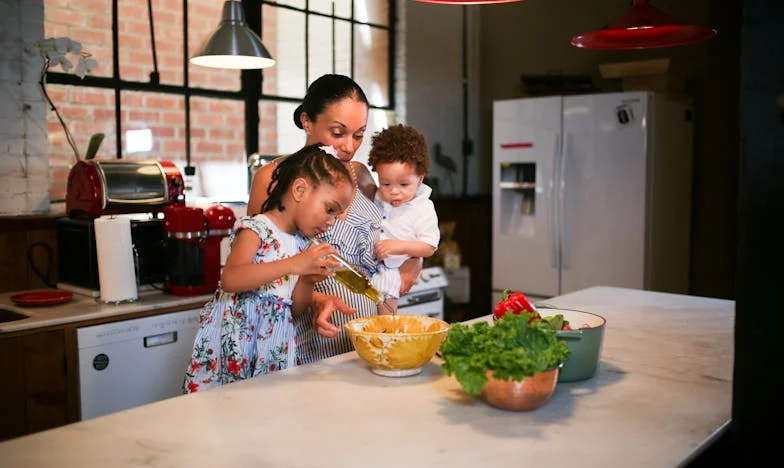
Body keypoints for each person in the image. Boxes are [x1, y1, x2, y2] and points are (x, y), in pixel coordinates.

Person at [247, 74, 423, 363]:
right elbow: (258, 270)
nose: (349, 147)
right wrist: (315, 300)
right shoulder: (274, 178)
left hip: (370, 338)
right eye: (338, 132)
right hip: (308, 340)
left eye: (358, 134)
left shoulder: (362, 176)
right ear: (307, 121)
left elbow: (403, 228)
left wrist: (414, 262)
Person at [183, 144, 353, 393]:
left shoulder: (300, 244)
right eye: (329, 209)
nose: (330, 222)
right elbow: (231, 278)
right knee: (224, 413)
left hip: (273, 344)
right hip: (235, 342)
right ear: (299, 189)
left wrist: (307, 280)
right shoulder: (257, 227)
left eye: (335, 216)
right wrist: (295, 264)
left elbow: (295, 310)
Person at [366, 124, 439, 314]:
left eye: (404, 184)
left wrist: (398, 247)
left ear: (420, 179)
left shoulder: (423, 208)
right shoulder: (378, 196)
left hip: (394, 269)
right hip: (371, 267)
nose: (394, 191)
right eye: (386, 183)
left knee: (385, 318)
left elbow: (429, 246)